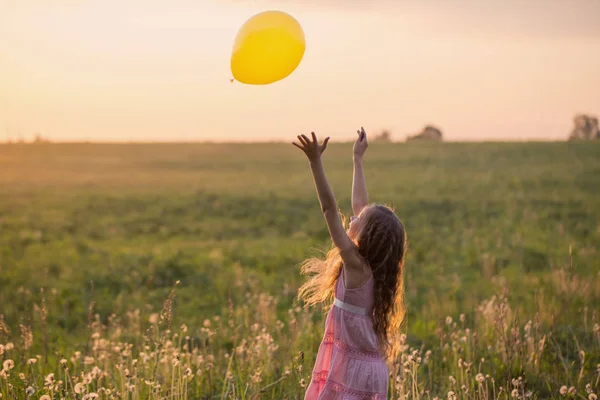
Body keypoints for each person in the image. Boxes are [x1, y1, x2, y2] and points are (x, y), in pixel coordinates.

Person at [293, 128, 407, 399]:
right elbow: (360, 206)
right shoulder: (376, 267)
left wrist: (315, 162)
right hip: (371, 370)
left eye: (359, 220)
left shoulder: (355, 264)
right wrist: (357, 158)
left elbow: (330, 210)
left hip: (353, 372)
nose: (353, 218)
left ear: (366, 236)